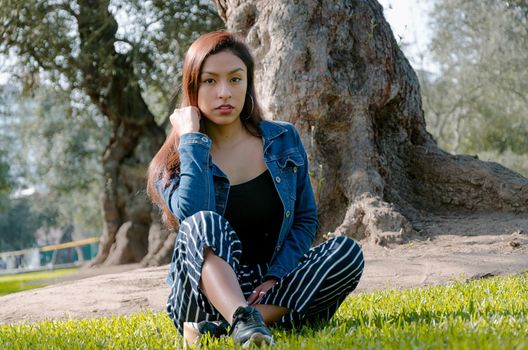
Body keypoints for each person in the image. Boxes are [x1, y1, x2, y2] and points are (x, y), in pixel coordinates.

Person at [147, 31, 364, 347]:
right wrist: (192, 139)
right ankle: (244, 318)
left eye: (235, 80)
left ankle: (235, 324)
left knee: (346, 252)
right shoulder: (171, 164)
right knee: (204, 222)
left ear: (248, 84)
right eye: (210, 81)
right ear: (192, 87)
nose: (225, 92)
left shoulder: (282, 140)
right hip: (201, 294)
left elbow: (305, 220)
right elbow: (193, 217)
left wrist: (276, 275)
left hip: (268, 283)